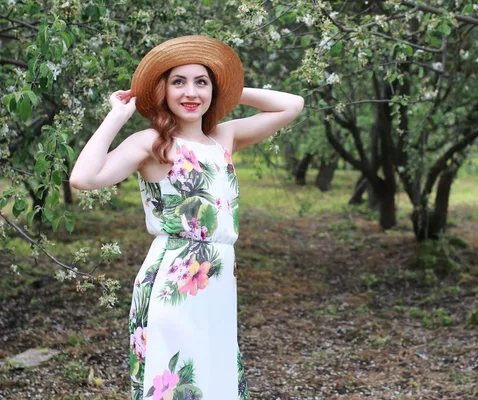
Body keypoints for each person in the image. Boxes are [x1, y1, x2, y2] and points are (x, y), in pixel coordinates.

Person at [70, 35, 304, 400]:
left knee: (216, 376)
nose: (190, 92)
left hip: (219, 278)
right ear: (163, 90)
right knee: (176, 381)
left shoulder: (222, 138)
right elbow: (83, 178)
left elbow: (291, 105)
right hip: (173, 280)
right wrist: (116, 117)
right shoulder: (152, 142)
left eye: (201, 82)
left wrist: (229, 90)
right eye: (178, 82)